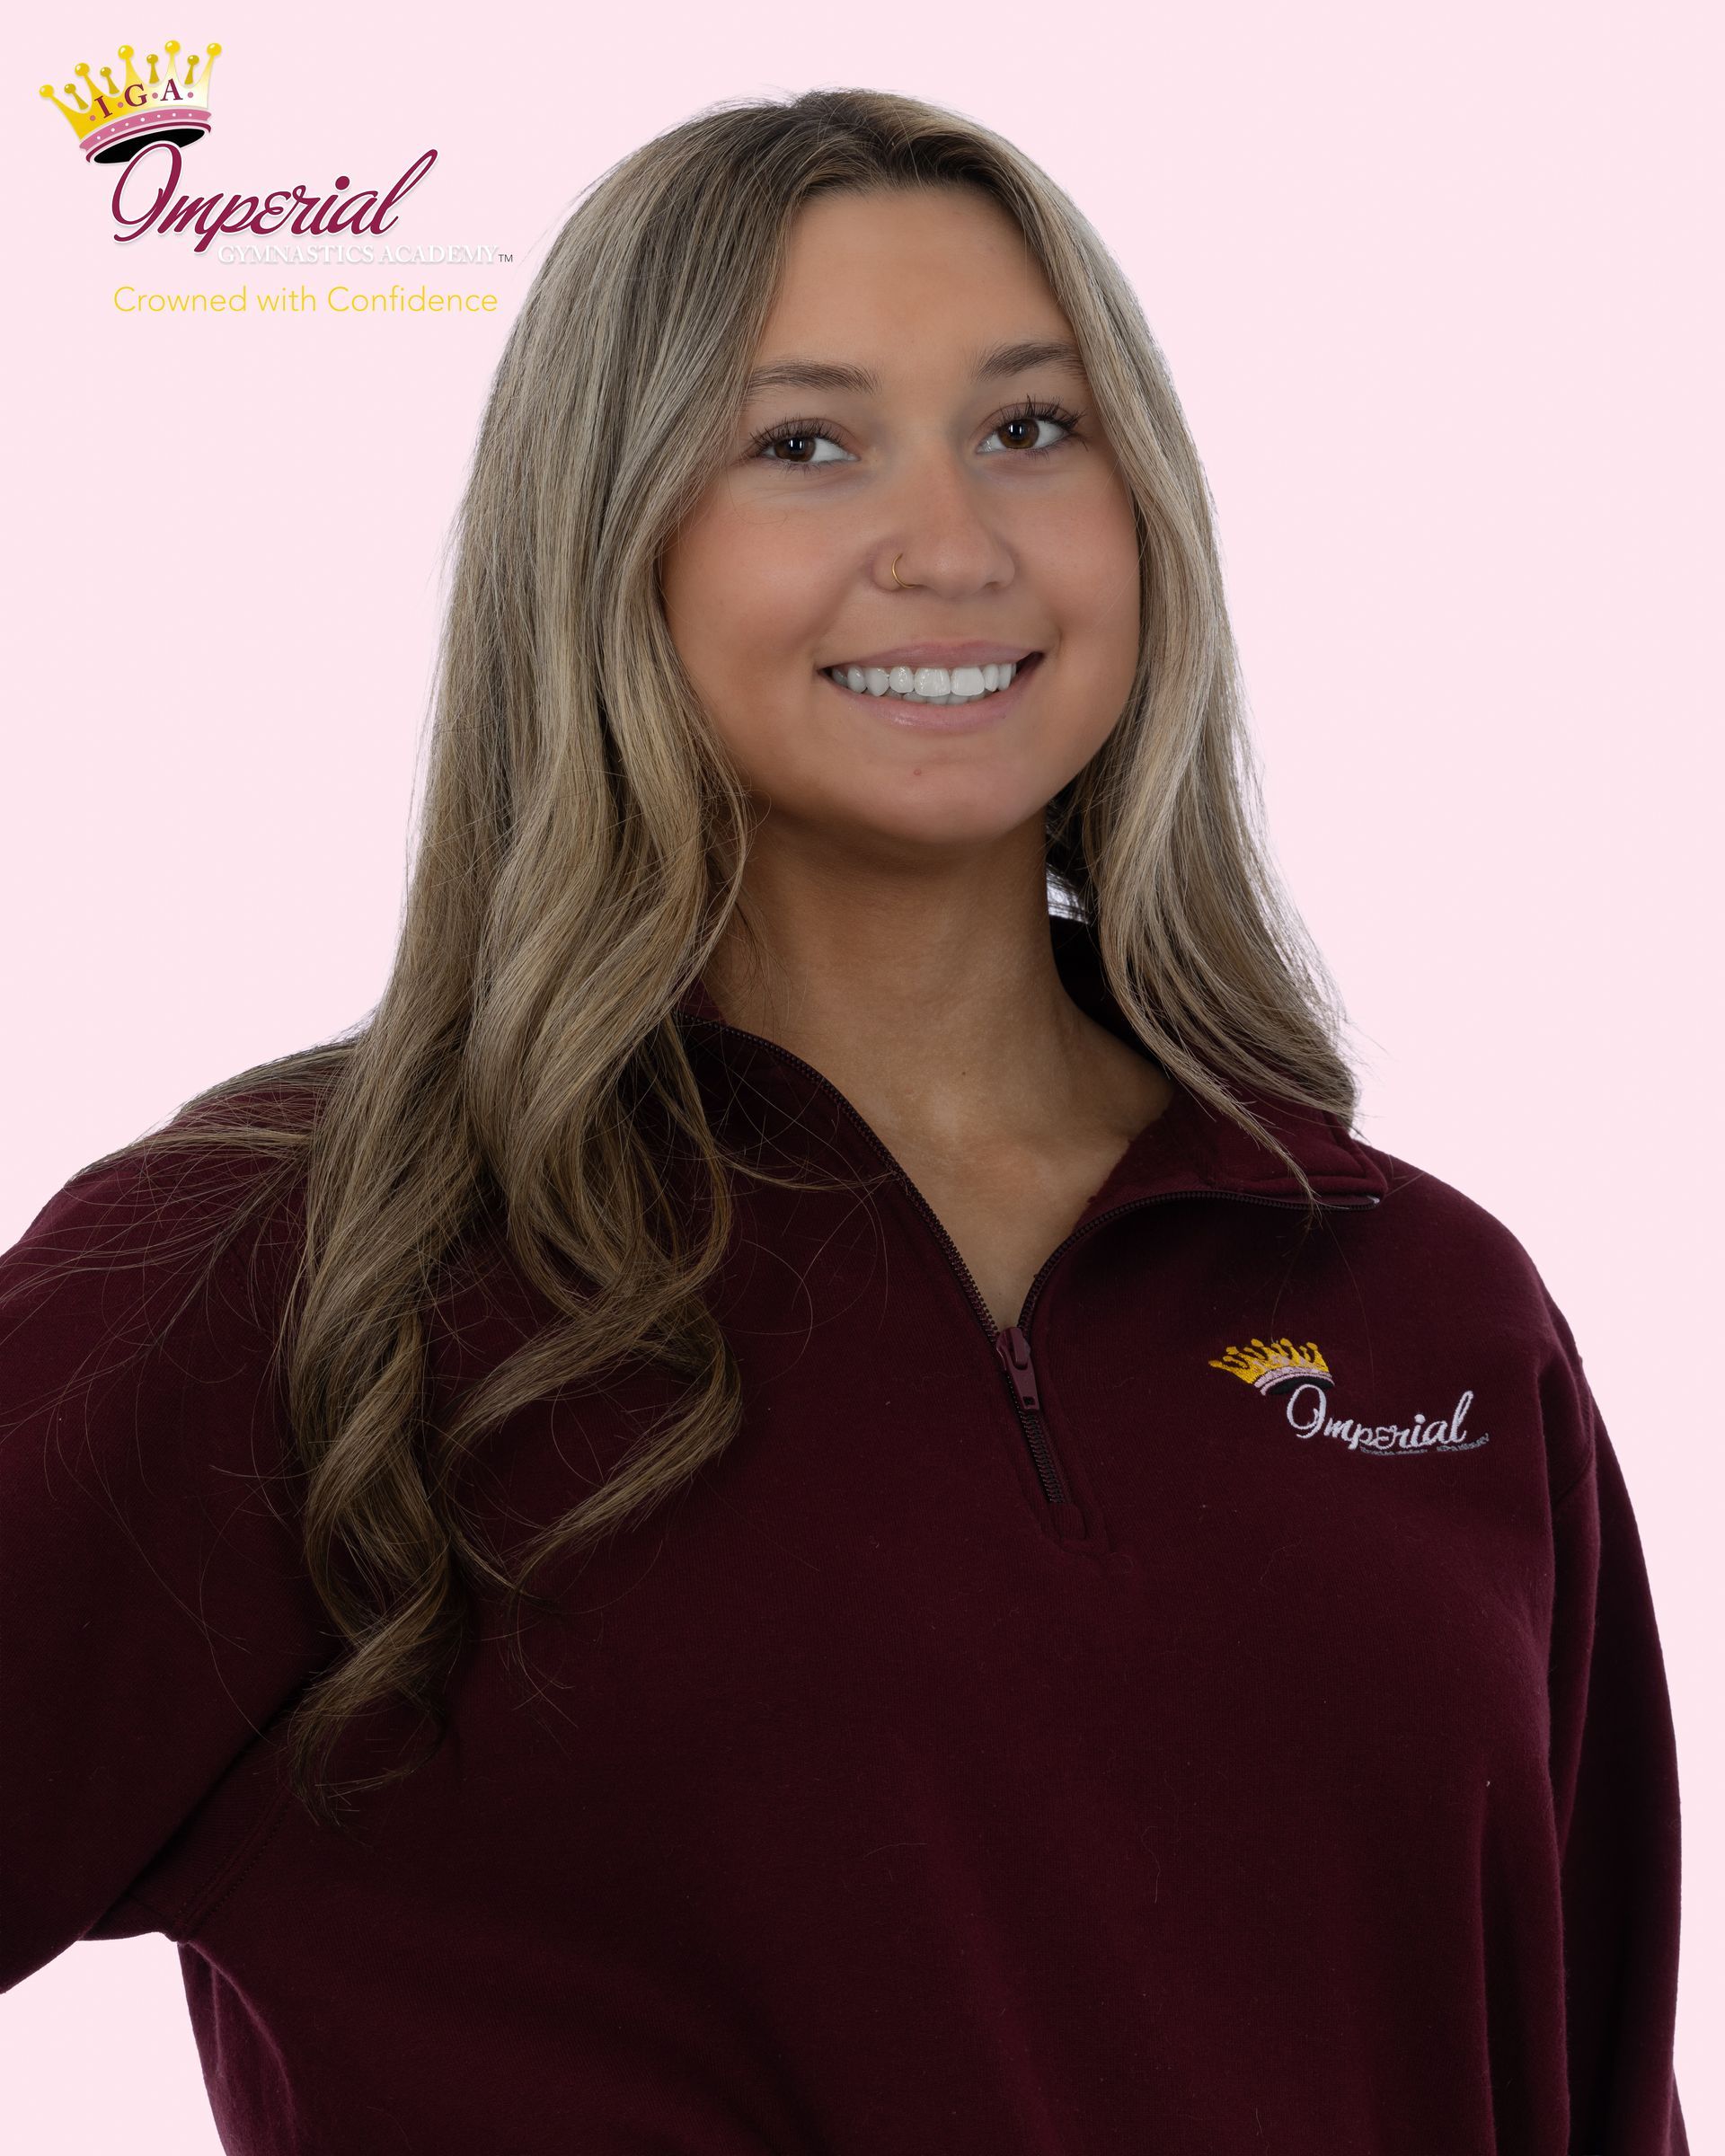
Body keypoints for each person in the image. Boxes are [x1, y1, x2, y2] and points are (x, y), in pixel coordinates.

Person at [0, 86, 1688, 2156]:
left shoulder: (1429, 1306)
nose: (951, 543)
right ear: (611, 537)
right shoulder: (299, 1263)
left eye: (1031, 429)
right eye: (802, 444)